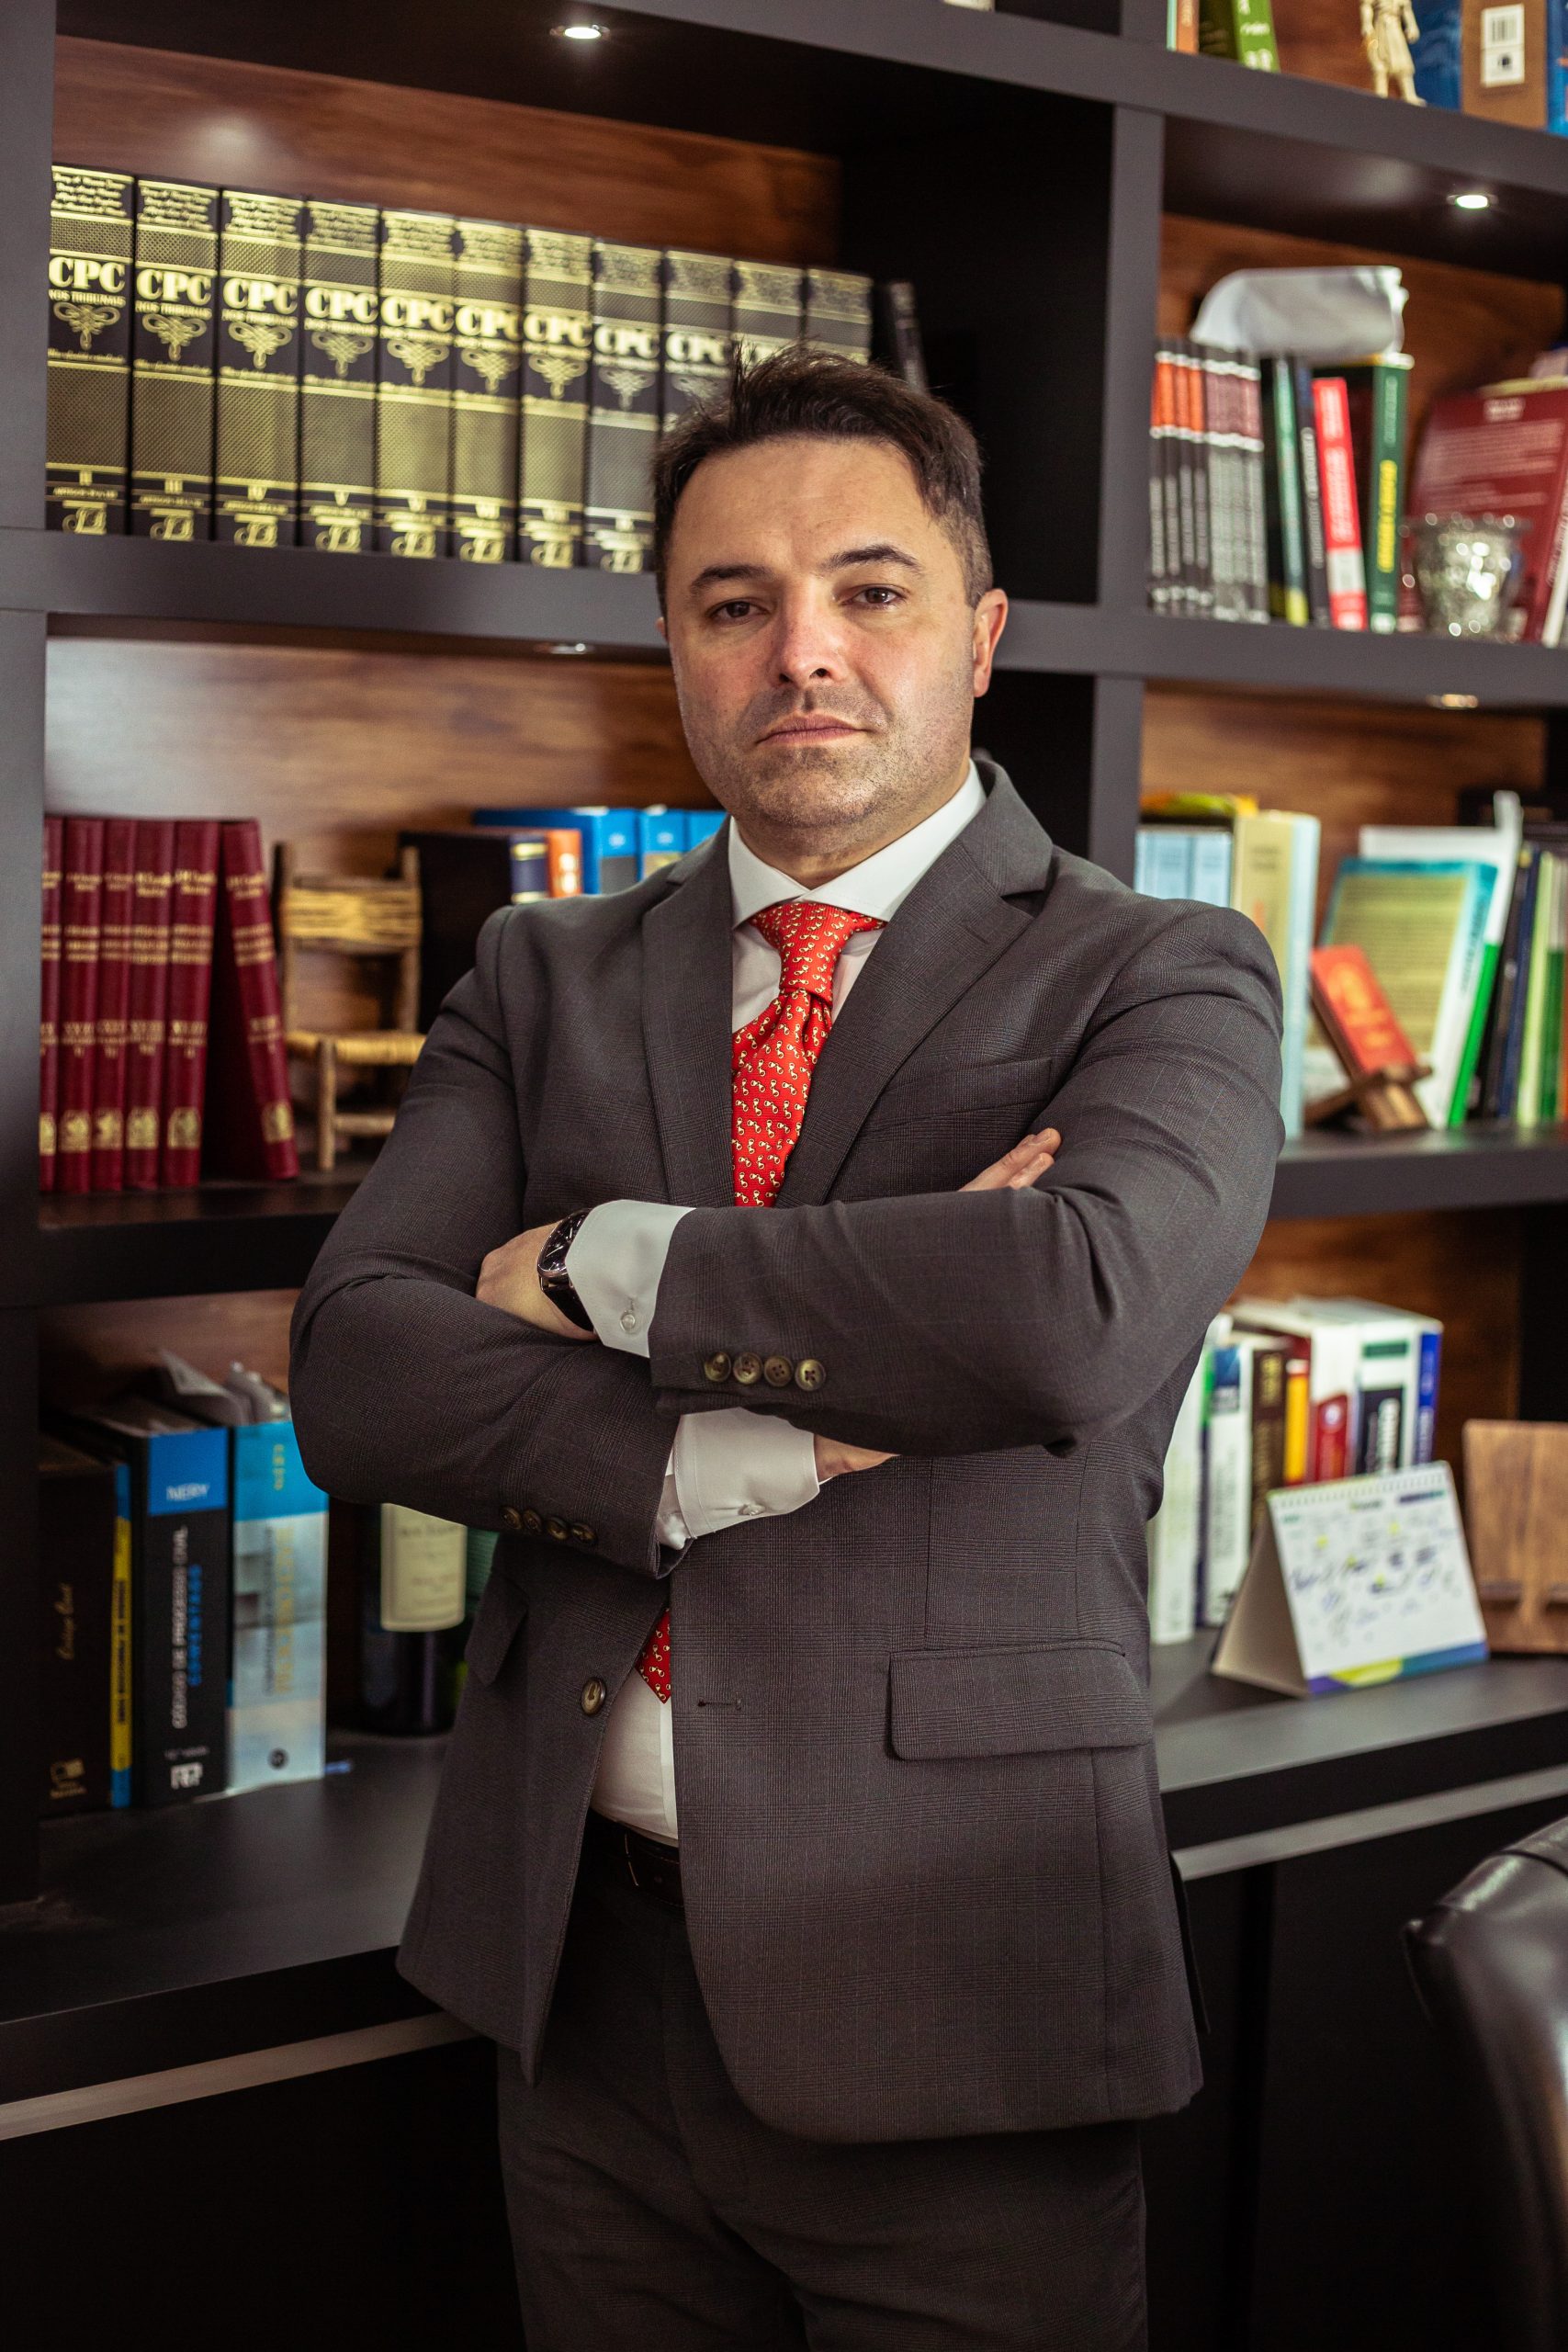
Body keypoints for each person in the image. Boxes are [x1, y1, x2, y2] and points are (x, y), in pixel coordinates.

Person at [290, 346, 1283, 2350]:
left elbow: (1066, 1308)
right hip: (577, 1987)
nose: (800, 651)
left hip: (962, 2000)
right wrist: (722, 1446)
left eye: (868, 590)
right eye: (733, 602)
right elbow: (358, 1369)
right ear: (673, 645)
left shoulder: (1157, 966)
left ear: (979, 634)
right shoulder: (544, 968)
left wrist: (599, 1259)